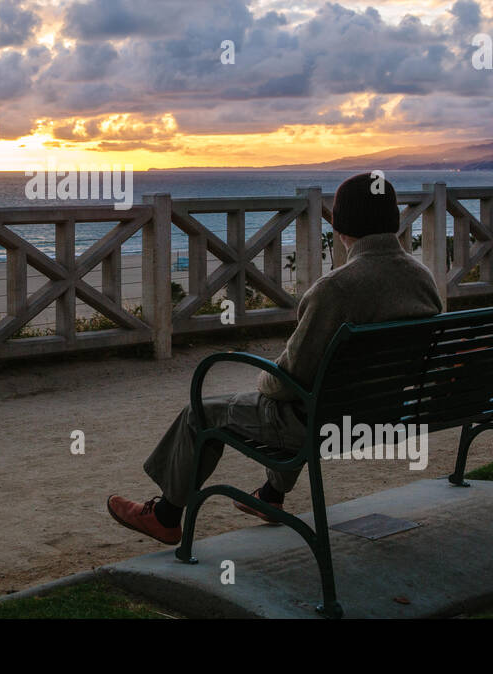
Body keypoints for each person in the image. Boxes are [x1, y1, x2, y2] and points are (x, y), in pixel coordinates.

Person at [107, 172, 444, 545]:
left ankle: (166, 516)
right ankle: (269, 497)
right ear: (393, 220)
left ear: (341, 226)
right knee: (314, 398)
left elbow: (288, 379)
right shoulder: (423, 278)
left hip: (323, 422)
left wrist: (264, 382)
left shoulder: (334, 291)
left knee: (199, 414)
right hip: (386, 412)